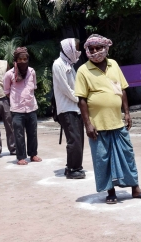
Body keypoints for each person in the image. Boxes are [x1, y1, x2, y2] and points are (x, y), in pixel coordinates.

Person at [75, 34, 141, 204]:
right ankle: (110, 192)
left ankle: (135, 188)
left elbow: (122, 89)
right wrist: (87, 124)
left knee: (127, 155)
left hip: (117, 122)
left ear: (105, 48)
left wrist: (127, 112)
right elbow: (81, 99)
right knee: (103, 159)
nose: (95, 51)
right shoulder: (83, 70)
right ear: (87, 51)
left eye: (98, 48)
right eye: (91, 49)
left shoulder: (114, 65)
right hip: (98, 125)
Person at [52, 38, 85, 179]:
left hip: (75, 108)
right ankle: (73, 169)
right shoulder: (58, 64)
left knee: (79, 139)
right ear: (68, 49)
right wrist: (80, 100)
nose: (78, 52)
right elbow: (65, 89)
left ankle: (75, 165)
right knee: (74, 139)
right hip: (67, 108)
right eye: (76, 48)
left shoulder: (70, 65)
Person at [4, 47, 42, 165]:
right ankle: (20, 157)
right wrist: (16, 101)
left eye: (25, 59)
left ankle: (33, 154)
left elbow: (33, 88)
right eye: (20, 59)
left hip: (31, 107)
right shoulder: (9, 74)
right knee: (18, 134)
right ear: (16, 60)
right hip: (17, 109)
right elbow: (7, 91)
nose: (23, 61)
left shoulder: (32, 72)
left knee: (32, 132)